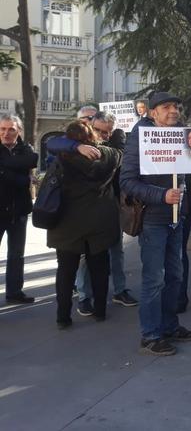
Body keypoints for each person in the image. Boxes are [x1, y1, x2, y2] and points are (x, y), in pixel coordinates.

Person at [120, 92, 191, 356]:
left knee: (175, 276)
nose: (173, 111)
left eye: (175, 107)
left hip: (177, 219)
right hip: (154, 219)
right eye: (166, 107)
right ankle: (150, 335)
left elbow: (187, 170)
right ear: (152, 112)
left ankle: (169, 325)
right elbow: (128, 182)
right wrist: (161, 196)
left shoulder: (181, 133)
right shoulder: (139, 137)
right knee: (154, 279)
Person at [49, 120, 124, 329]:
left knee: (65, 271)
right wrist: (118, 133)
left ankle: (63, 317)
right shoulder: (108, 155)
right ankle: (100, 311)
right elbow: (120, 150)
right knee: (99, 267)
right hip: (98, 222)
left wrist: (73, 146)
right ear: (92, 136)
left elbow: (52, 143)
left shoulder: (62, 157)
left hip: (67, 224)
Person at [0, 114, 38, 304]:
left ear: (19, 131)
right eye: (2, 129)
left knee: (16, 254)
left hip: (19, 211)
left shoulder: (26, 149)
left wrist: (5, 168)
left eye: (11, 129)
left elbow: (32, 161)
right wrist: (23, 178)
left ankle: (14, 292)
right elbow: (19, 174)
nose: (6, 133)